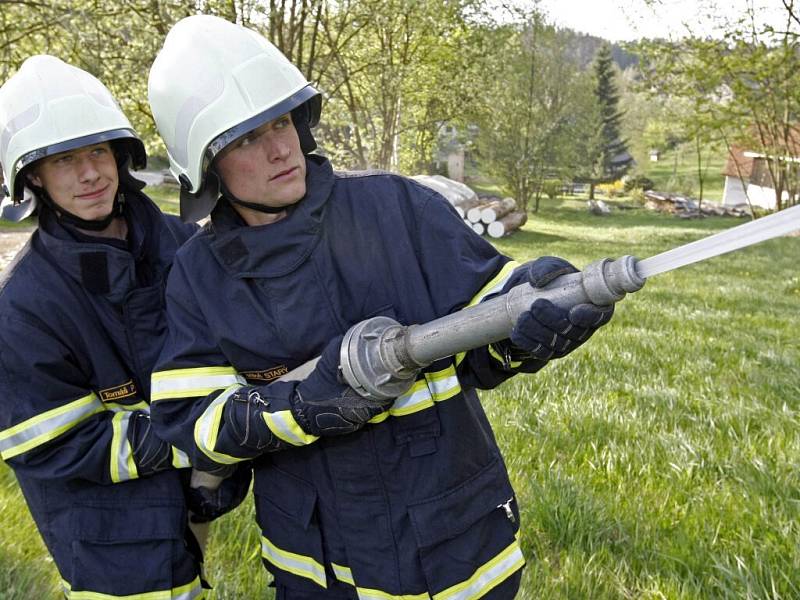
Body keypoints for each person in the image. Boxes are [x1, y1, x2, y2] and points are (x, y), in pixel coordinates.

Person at [147, 15, 614, 600]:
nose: (279, 148)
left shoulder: (396, 208)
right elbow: (196, 422)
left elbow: (486, 329)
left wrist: (534, 315)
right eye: (246, 139)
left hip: (455, 549)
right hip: (320, 564)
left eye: (282, 122)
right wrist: (302, 406)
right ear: (207, 165)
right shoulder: (201, 275)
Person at [0, 55, 239, 600]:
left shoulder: (183, 247)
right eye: (64, 161)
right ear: (33, 177)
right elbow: (52, 443)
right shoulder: (23, 305)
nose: (89, 174)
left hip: (193, 508)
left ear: (120, 156)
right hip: (107, 540)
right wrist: (196, 435)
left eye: (97, 151)